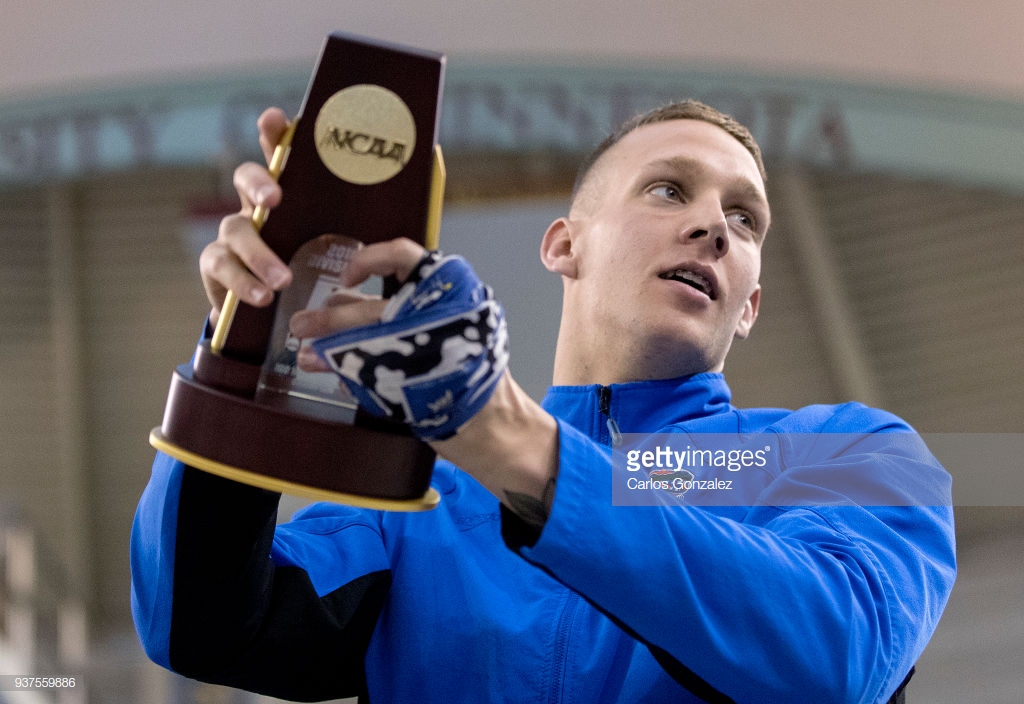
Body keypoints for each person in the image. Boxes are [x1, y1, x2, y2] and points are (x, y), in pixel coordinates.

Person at [131, 100, 956, 703]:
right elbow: (196, 627)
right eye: (670, 190)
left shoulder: (844, 455)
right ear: (564, 245)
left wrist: (509, 440)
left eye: (744, 219)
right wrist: (249, 348)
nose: (715, 226)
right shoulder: (415, 504)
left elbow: (835, 662)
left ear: (750, 304)